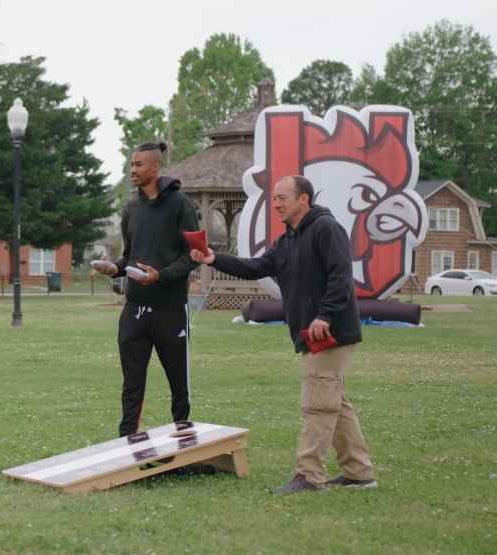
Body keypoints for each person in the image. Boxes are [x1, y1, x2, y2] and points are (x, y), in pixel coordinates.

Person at [190, 174, 376, 494]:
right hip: (313, 333)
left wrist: (324, 315)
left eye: (281, 198)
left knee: (317, 405)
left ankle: (309, 476)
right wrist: (213, 258)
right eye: (274, 198)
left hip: (330, 332)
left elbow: (341, 277)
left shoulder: (326, 229)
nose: (275, 204)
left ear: (304, 199)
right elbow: (256, 267)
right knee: (334, 402)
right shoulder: (288, 239)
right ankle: (359, 473)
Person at [94, 142, 199, 438]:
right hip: (135, 308)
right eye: (131, 165)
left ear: (155, 167)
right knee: (131, 382)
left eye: (139, 165)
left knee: (178, 382)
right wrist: (114, 268)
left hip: (170, 309)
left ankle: (184, 442)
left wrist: (161, 276)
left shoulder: (180, 204)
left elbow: (192, 255)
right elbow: (129, 256)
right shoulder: (132, 208)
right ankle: (126, 440)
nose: (133, 170)